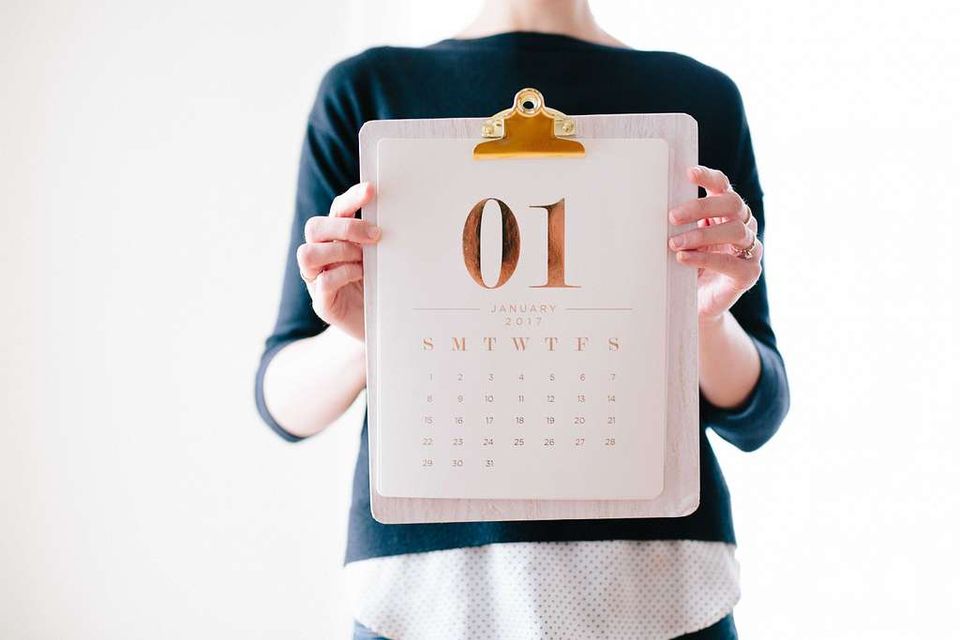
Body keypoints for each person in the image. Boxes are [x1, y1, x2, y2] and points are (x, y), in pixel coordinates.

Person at [254, 1, 790, 638]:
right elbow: (283, 402)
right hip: (428, 593)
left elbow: (759, 409)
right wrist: (372, 335)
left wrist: (701, 319)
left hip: (657, 583)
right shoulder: (367, 93)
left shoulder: (699, 98)